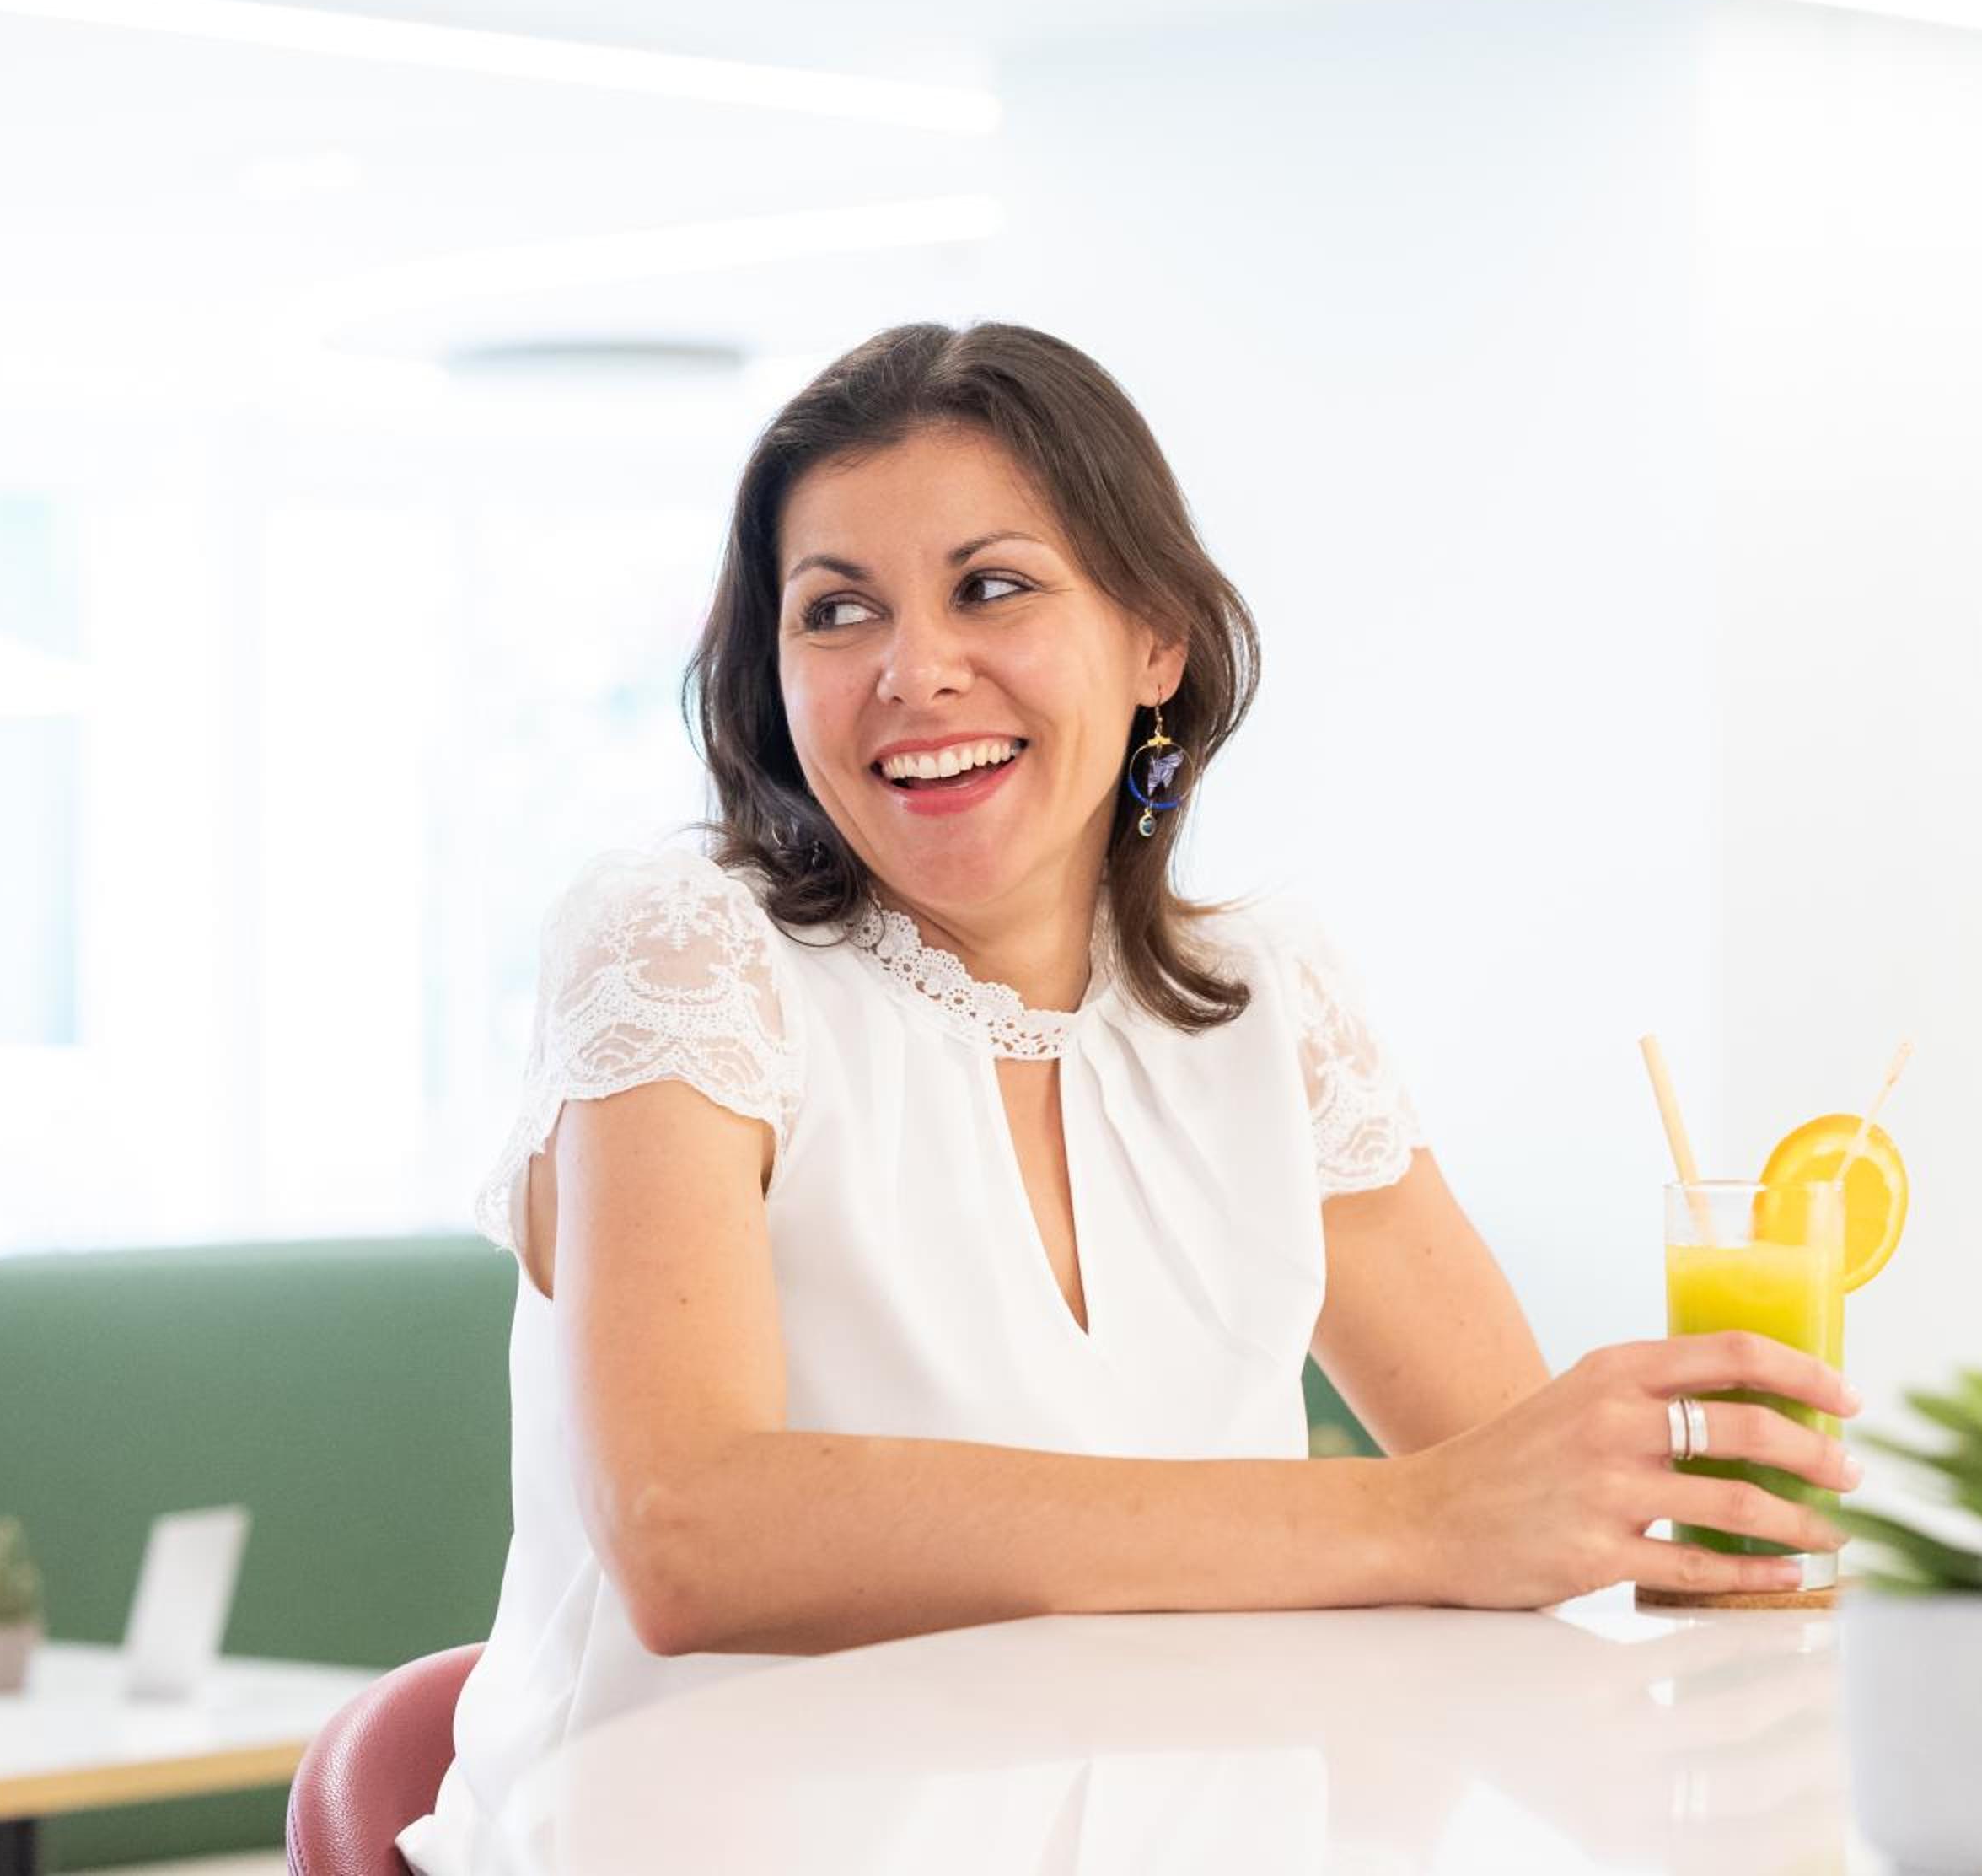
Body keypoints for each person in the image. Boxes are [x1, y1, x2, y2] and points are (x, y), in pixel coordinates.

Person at [395, 320, 1857, 1874]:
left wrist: (1667, 1539)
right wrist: (1412, 1521)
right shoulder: (685, 950)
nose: (914, 670)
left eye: (992, 587)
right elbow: (695, 1534)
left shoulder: (1266, 1003)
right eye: (836, 611)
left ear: (1156, 639)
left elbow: (1523, 1502)